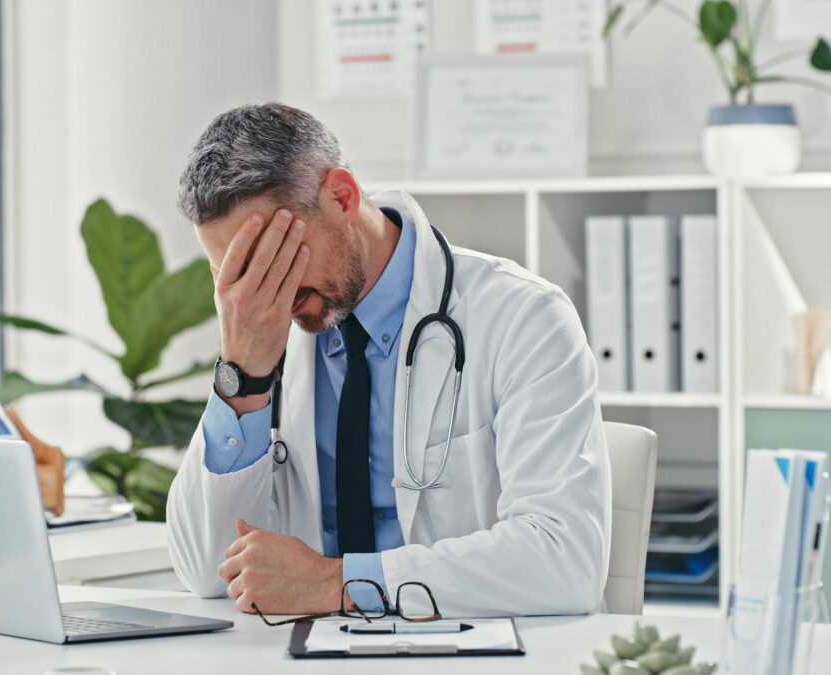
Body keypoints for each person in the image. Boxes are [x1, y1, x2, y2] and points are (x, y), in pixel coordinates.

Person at [166, 102, 611, 618]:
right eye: (237, 275)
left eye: (277, 258)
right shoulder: (262, 342)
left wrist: (341, 584)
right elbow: (205, 572)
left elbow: (565, 561)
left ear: (341, 197)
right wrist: (243, 376)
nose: (268, 295)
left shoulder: (524, 316)